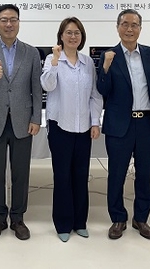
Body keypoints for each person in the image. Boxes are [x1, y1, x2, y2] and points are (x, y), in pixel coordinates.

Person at [96, 9, 150, 241]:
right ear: (117, 27)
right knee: (116, 174)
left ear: (140, 28)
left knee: (144, 174)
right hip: (119, 125)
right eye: (125, 24)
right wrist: (105, 68)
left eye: (134, 25)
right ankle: (118, 218)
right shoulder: (109, 56)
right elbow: (102, 90)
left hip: (147, 123)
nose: (129, 29)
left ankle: (141, 218)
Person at [0, 4, 42, 241]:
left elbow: (36, 88)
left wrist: (36, 118)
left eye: (13, 19)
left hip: (23, 121)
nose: (9, 24)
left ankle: (18, 218)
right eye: (4, 20)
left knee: (21, 173)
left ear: (19, 22)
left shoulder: (31, 52)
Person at [40, 17, 103, 242]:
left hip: (83, 127)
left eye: (77, 33)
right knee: (62, 176)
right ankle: (63, 224)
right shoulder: (52, 59)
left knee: (81, 175)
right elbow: (47, 85)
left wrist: (95, 122)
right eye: (68, 32)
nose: (73, 36)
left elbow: (95, 95)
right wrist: (56, 61)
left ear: (82, 37)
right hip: (60, 125)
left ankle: (80, 222)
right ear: (61, 36)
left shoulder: (87, 63)